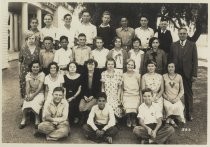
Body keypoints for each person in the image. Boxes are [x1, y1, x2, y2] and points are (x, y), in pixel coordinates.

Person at [169, 27, 198, 121]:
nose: (182, 35)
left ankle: (189, 113)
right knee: (173, 93)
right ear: (178, 34)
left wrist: (194, 74)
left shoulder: (192, 45)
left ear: (187, 34)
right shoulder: (173, 45)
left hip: (187, 73)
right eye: (180, 33)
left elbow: (195, 61)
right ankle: (174, 114)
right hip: (176, 73)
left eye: (184, 33)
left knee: (188, 94)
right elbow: (170, 59)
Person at [19, 61, 45, 129]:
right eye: (33, 67)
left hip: (39, 93)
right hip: (30, 93)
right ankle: (24, 119)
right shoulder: (28, 75)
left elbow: (40, 87)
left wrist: (33, 96)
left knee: (35, 102)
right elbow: (27, 86)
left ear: (39, 67)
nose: (35, 68)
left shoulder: (42, 74)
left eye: (37, 67)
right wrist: (28, 95)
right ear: (31, 67)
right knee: (26, 102)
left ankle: (37, 119)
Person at [79, 59, 102, 125]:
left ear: (95, 65)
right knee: (81, 107)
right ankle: (85, 117)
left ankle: (86, 119)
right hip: (85, 94)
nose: (90, 66)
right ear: (86, 65)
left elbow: (98, 87)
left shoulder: (98, 73)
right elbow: (82, 87)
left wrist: (93, 96)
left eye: (92, 64)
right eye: (89, 64)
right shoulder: (83, 73)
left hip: (94, 94)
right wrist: (85, 96)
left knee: (88, 107)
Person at [163, 63, 185, 127]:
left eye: (172, 67)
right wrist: (167, 98)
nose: (170, 68)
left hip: (176, 98)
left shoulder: (179, 77)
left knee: (179, 107)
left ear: (175, 68)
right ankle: (171, 120)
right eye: (169, 67)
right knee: (168, 106)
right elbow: (162, 90)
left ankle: (170, 119)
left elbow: (182, 90)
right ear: (167, 68)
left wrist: (177, 99)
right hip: (167, 98)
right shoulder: (164, 76)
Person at [19, 31, 40, 99]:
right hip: (24, 69)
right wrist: (19, 72)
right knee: (24, 84)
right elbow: (20, 61)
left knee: (34, 84)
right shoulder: (23, 48)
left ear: (35, 39)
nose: (31, 40)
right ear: (26, 39)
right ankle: (25, 100)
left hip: (35, 70)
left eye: (33, 38)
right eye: (29, 38)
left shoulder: (38, 49)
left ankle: (33, 99)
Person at [122, 59, 141, 127]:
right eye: (128, 65)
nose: (130, 66)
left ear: (134, 66)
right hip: (126, 95)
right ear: (126, 65)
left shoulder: (138, 75)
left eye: (132, 65)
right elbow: (121, 89)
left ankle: (133, 118)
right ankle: (128, 118)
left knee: (135, 105)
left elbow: (140, 88)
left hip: (135, 95)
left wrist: (141, 99)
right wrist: (121, 98)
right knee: (127, 105)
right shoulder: (123, 75)